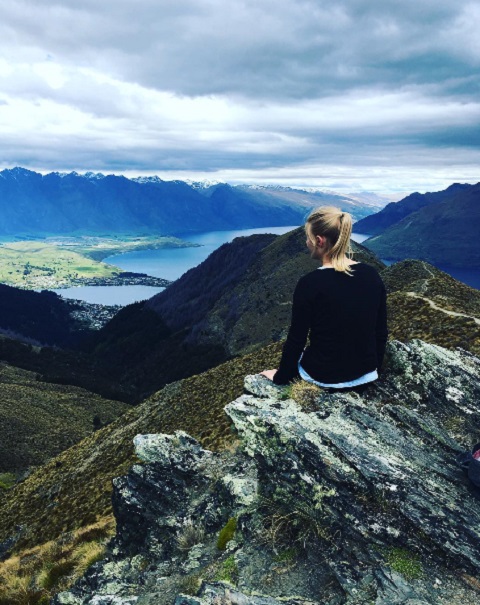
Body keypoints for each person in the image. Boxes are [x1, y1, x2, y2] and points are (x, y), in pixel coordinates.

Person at [260, 206, 388, 392]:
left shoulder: (310, 283)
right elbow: (380, 332)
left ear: (319, 241)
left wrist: (281, 377)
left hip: (323, 376)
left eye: (308, 238)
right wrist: (372, 369)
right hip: (366, 373)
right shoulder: (371, 275)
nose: (306, 243)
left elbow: (297, 340)